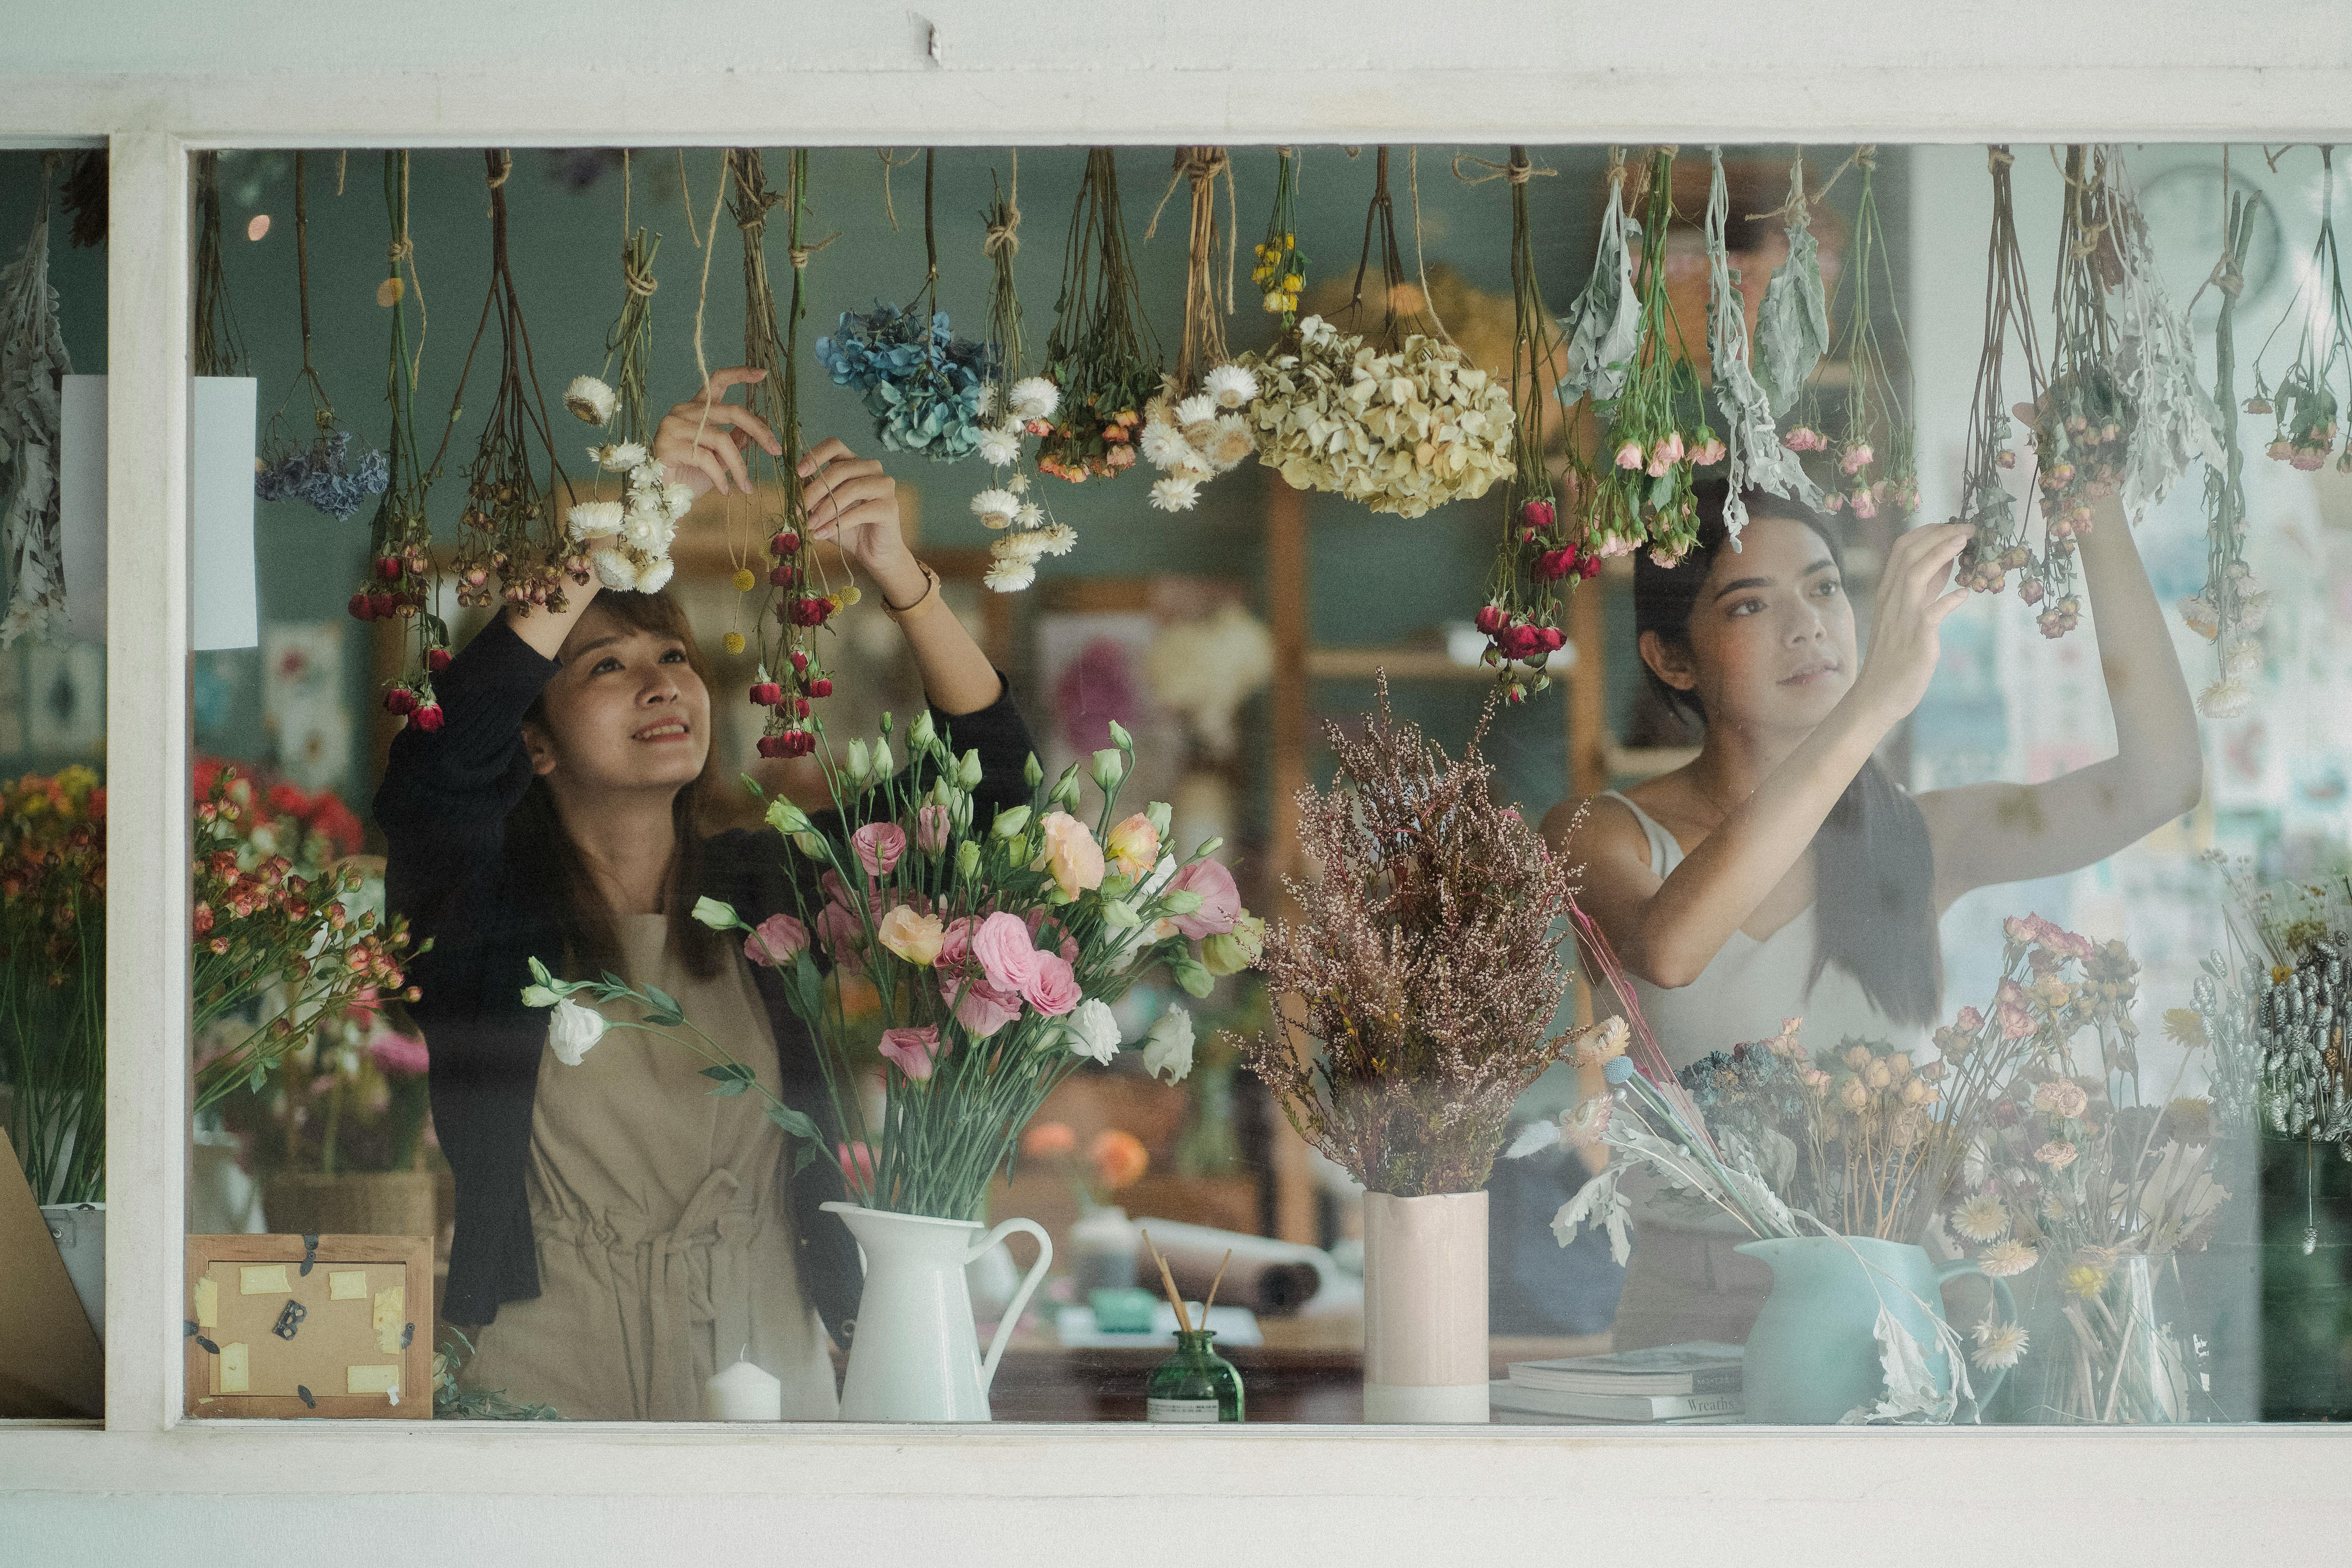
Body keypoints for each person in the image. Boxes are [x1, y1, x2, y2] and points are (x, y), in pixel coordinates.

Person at [379, 368, 1036, 1419]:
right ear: (534, 745)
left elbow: (993, 793)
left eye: (674, 655)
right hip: (545, 1362)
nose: (663, 684)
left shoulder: (769, 887)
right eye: (607, 667)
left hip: (765, 1357)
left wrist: (898, 576)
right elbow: (438, 769)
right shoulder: (480, 908)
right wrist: (629, 522)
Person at [1543, 476, 2202, 1351]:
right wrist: (1870, 706)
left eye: (1824, 589)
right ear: (1672, 658)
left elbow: (2159, 781)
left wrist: (2099, 504)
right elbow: (1669, 948)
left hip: (1893, 1309)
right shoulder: (1601, 833)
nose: (1808, 624)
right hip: (1687, 1317)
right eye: (1749, 606)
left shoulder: (1924, 836)